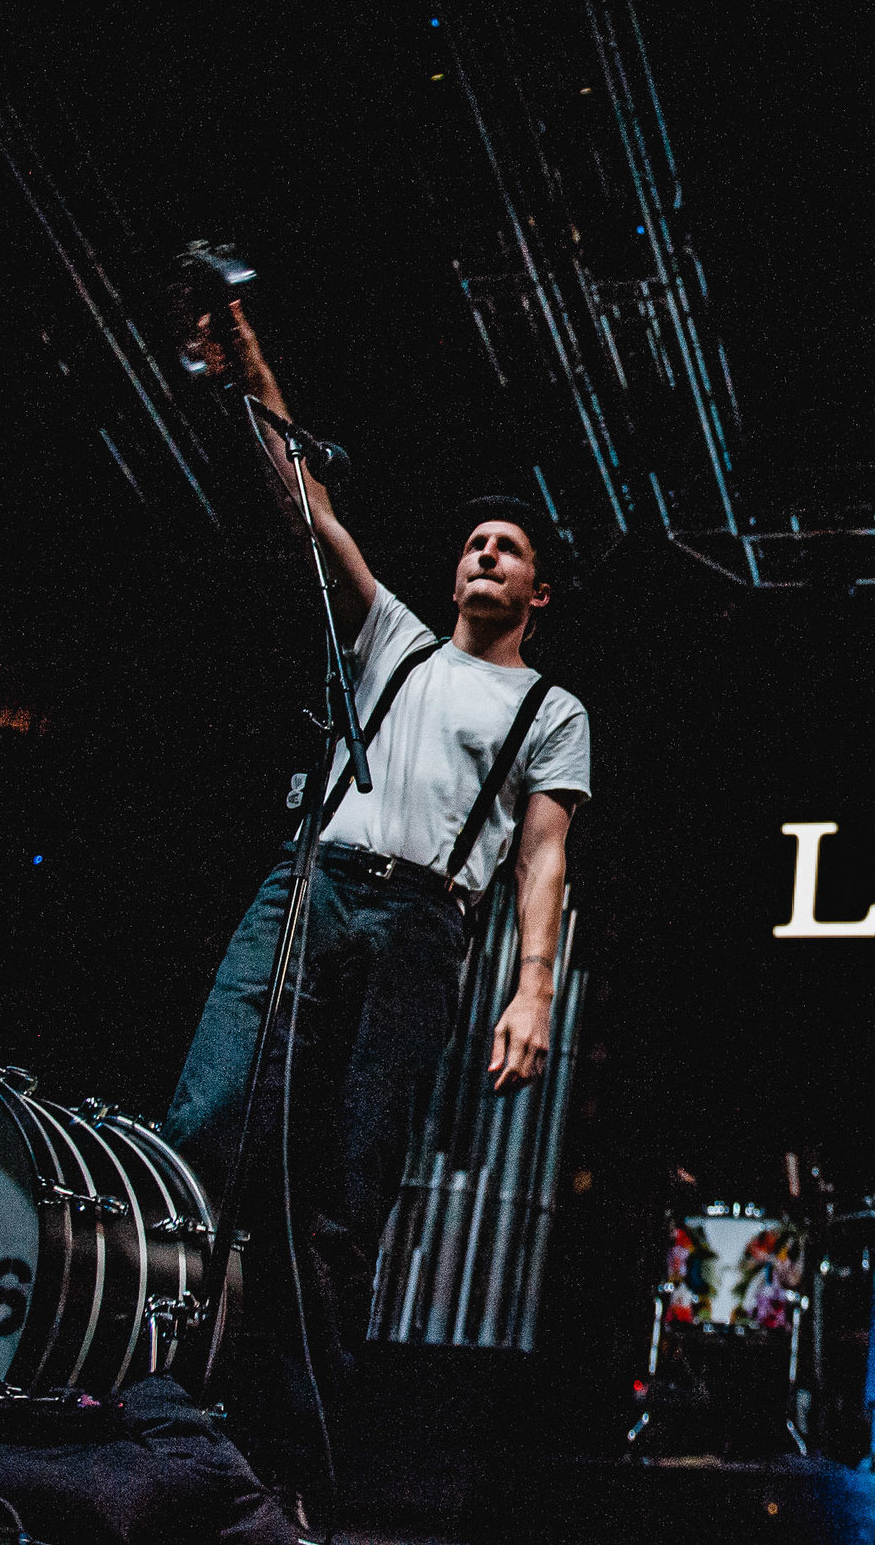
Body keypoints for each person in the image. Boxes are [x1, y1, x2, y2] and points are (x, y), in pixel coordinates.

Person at [161, 297, 592, 1510]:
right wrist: (250, 363)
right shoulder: (394, 638)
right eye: (473, 543)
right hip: (306, 889)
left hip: (420, 930)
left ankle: (284, 1467)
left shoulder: (550, 708)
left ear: (539, 592)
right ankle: (142, 1398)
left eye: (507, 548)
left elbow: (541, 858)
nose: (482, 554)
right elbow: (309, 508)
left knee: (342, 1198)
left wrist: (533, 988)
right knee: (210, 1120)